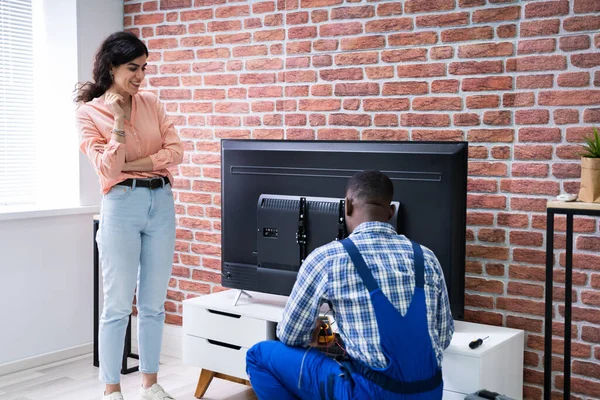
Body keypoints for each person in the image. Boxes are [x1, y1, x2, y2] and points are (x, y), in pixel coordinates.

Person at [246, 170, 454, 399]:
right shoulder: (426, 257)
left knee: (258, 355)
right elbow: (443, 337)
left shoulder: (327, 258)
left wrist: (318, 333)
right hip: (429, 393)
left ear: (346, 206)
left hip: (368, 394)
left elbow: (289, 335)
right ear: (391, 212)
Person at [75, 31, 183, 400]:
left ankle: (151, 387)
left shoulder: (152, 102)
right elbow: (108, 170)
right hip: (120, 206)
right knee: (118, 305)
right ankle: (112, 391)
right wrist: (119, 123)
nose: (141, 76)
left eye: (144, 68)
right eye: (133, 68)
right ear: (112, 67)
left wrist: (132, 164)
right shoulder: (89, 113)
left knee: (153, 304)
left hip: (161, 203)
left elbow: (176, 151)